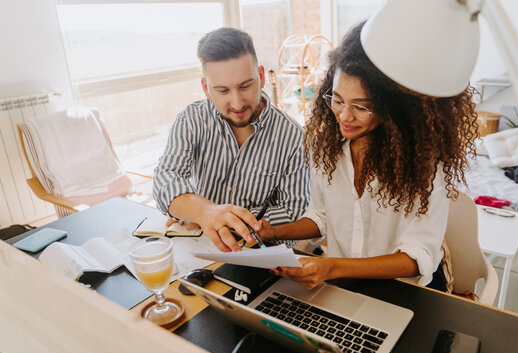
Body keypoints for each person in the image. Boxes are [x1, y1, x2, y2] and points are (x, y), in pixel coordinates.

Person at [256, 22, 479, 292]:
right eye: (337, 99)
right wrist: (274, 232)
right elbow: (322, 217)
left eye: (361, 107)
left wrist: (333, 267)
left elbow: (416, 256)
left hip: (405, 289)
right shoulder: (327, 148)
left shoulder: (425, 165)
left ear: (394, 108)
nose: (344, 116)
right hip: (342, 282)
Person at [153, 27, 309, 253]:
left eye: (246, 86)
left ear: (262, 76)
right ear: (206, 88)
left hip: (256, 253)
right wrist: (202, 212)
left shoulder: (293, 136)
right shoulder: (191, 119)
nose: (237, 103)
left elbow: (294, 212)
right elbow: (166, 176)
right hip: (200, 247)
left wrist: (220, 219)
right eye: (223, 91)